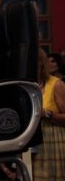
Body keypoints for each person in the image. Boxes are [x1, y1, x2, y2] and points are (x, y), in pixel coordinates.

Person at [32, 49, 65, 181]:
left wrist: (46, 114)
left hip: (53, 140)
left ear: (41, 63)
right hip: (33, 141)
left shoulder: (56, 84)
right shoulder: (28, 85)